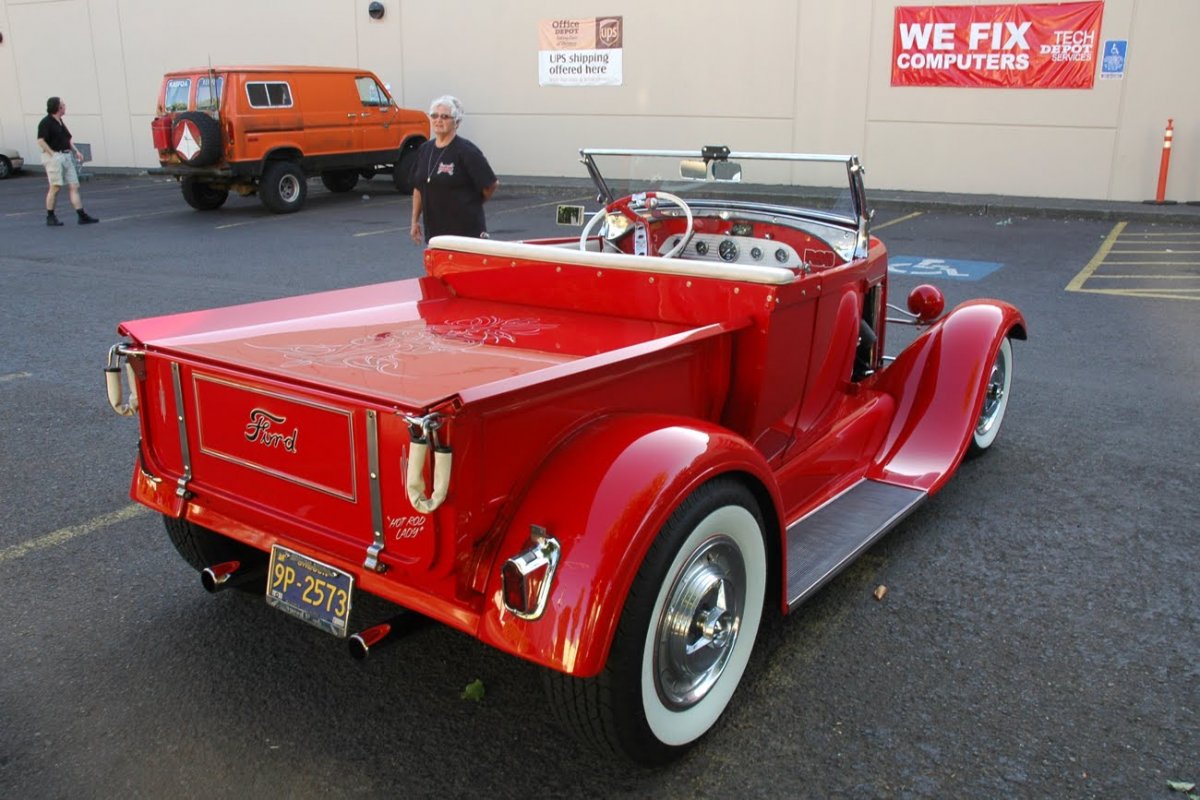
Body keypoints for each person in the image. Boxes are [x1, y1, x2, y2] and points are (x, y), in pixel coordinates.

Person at [409, 95, 497, 244]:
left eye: (445, 117)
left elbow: (491, 184)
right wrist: (414, 221)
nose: (438, 120)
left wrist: (472, 204)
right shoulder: (425, 150)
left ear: (456, 122)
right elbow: (419, 189)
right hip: (436, 234)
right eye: (434, 116)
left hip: (466, 233)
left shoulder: (467, 151)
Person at [36, 97, 99, 226]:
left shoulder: (60, 121)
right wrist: (53, 155)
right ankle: (50, 216)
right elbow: (40, 140)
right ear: (58, 107)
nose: (65, 106)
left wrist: (76, 151)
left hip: (65, 155)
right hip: (54, 157)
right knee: (55, 187)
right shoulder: (46, 122)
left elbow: (67, 139)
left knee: (74, 185)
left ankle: (81, 215)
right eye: (63, 104)